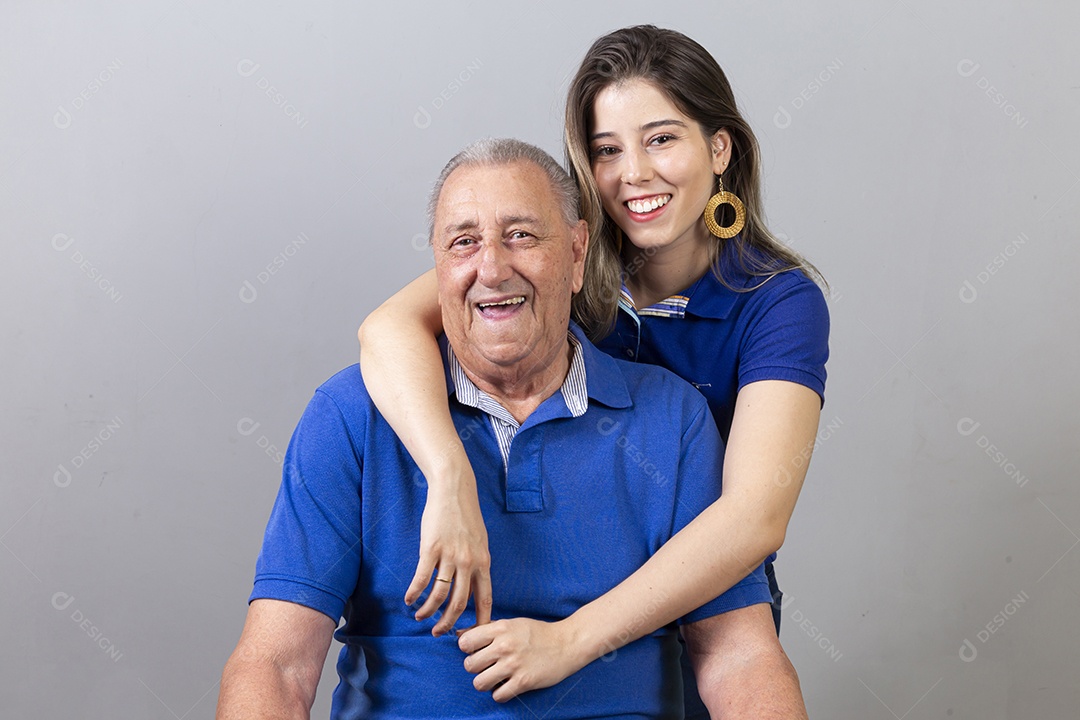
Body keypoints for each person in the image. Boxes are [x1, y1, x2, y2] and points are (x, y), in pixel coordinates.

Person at [217, 139, 807, 718]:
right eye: (464, 242)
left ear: (577, 255)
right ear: (438, 266)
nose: (491, 268)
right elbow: (276, 663)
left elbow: (739, 657)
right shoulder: (351, 416)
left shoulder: (673, 421)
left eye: (521, 235)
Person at [356, 25, 829, 715]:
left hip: (701, 599)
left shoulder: (778, 302)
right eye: (608, 150)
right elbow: (387, 328)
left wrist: (572, 641)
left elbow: (754, 517)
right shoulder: (557, 260)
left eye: (661, 138)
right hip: (560, 571)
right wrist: (447, 473)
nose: (633, 172)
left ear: (719, 148)